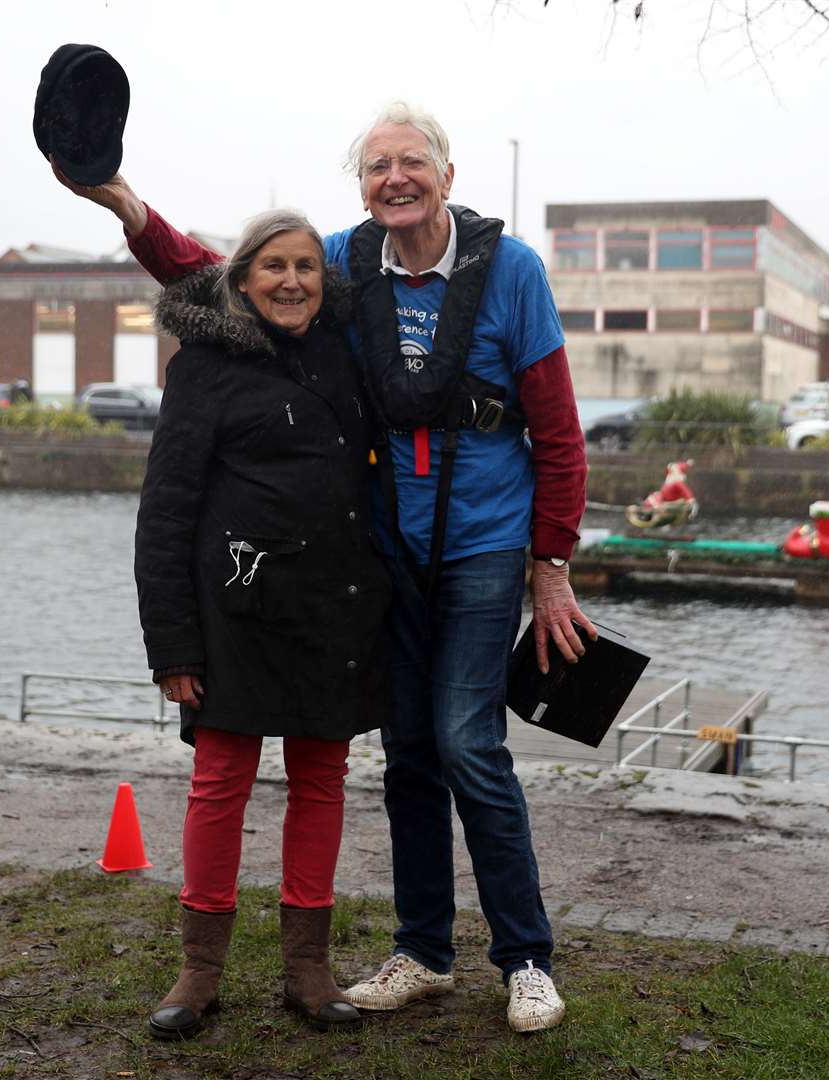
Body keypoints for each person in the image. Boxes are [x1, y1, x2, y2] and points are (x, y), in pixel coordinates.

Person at [54, 100, 592, 1034]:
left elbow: (558, 429)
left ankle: (526, 958)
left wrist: (551, 565)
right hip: (386, 555)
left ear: (448, 176)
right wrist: (130, 212)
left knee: (467, 743)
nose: (396, 178)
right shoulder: (345, 260)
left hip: (479, 543)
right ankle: (423, 952)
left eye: (411, 162)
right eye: (377, 165)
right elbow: (222, 273)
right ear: (362, 185)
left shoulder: (511, 273)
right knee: (409, 755)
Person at [133, 209, 391, 1040]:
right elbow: (166, 512)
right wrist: (171, 644)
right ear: (241, 279)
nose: (291, 281)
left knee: (321, 783)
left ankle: (307, 972)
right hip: (234, 612)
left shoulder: (345, 353)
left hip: (330, 608)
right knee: (220, 786)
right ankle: (199, 972)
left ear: (326, 281)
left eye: (307, 267)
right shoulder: (203, 366)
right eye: (273, 266)